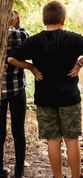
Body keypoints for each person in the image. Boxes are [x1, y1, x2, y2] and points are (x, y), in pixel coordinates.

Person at [7, 1, 83, 178]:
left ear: (44, 19)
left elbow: (11, 59)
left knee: (53, 140)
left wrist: (31, 67)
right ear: (63, 19)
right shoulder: (72, 38)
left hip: (45, 98)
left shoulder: (34, 41)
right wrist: (80, 63)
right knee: (72, 140)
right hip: (69, 98)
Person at [0, 11, 28, 178]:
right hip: (17, 89)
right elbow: (27, 38)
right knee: (18, 130)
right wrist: (17, 24)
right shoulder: (17, 35)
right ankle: (19, 172)